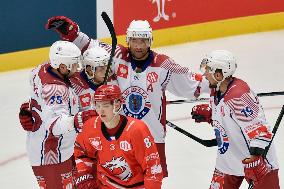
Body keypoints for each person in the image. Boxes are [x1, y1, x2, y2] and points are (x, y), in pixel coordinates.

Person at [46, 16, 209, 177]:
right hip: (119, 138)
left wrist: (222, 88)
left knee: (151, 182)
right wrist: (72, 34)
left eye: (143, 41)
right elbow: (90, 47)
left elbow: (194, 83)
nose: (138, 46)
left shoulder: (163, 65)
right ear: (128, 40)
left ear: (150, 41)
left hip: (152, 138)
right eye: (134, 41)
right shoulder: (117, 54)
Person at [191, 50, 279, 189]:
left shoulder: (239, 96)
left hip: (256, 163)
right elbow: (230, 122)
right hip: (228, 161)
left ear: (219, 74)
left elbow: (260, 129)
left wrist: (256, 156)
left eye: (208, 70)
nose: (205, 74)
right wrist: (212, 116)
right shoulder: (217, 89)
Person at [18, 41, 98, 188]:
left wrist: (31, 109)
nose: (77, 68)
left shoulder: (42, 68)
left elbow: (36, 93)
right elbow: (55, 125)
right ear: (62, 66)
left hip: (61, 149)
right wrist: (78, 119)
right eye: (74, 64)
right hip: (50, 154)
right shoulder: (55, 90)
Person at [74, 84, 163, 188]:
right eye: (98, 105)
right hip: (105, 185)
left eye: (106, 105)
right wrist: (85, 175)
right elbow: (81, 153)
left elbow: (152, 167)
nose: (100, 110)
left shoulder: (137, 130)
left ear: (117, 105)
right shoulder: (90, 126)